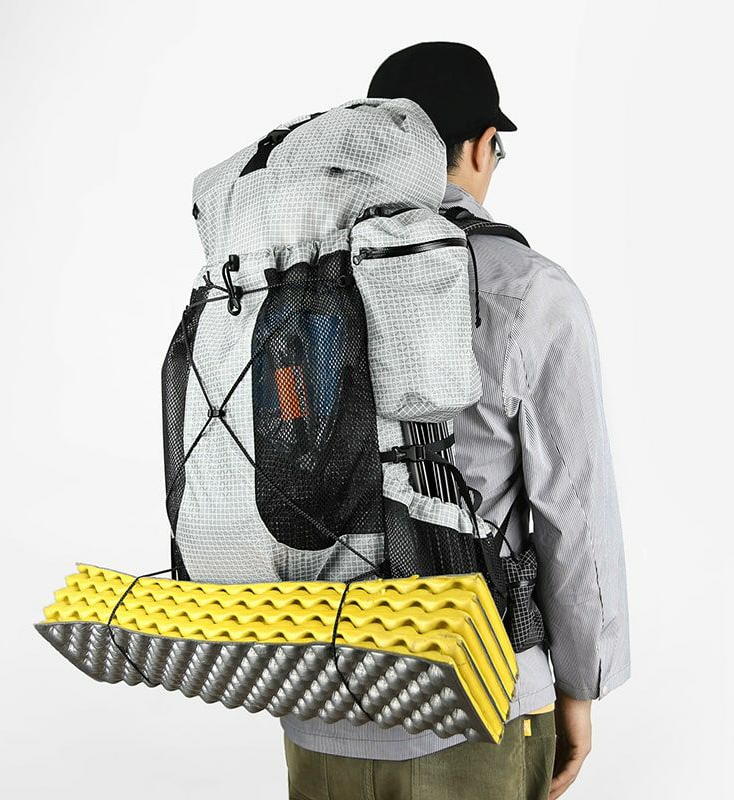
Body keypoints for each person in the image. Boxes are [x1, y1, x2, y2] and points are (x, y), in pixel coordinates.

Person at [281, 41, 630, 800]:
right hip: (479, 704)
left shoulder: (298, 283)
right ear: (479, 145)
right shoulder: (528, 289)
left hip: (316, 704)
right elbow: (573, 515)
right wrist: (581, 686)